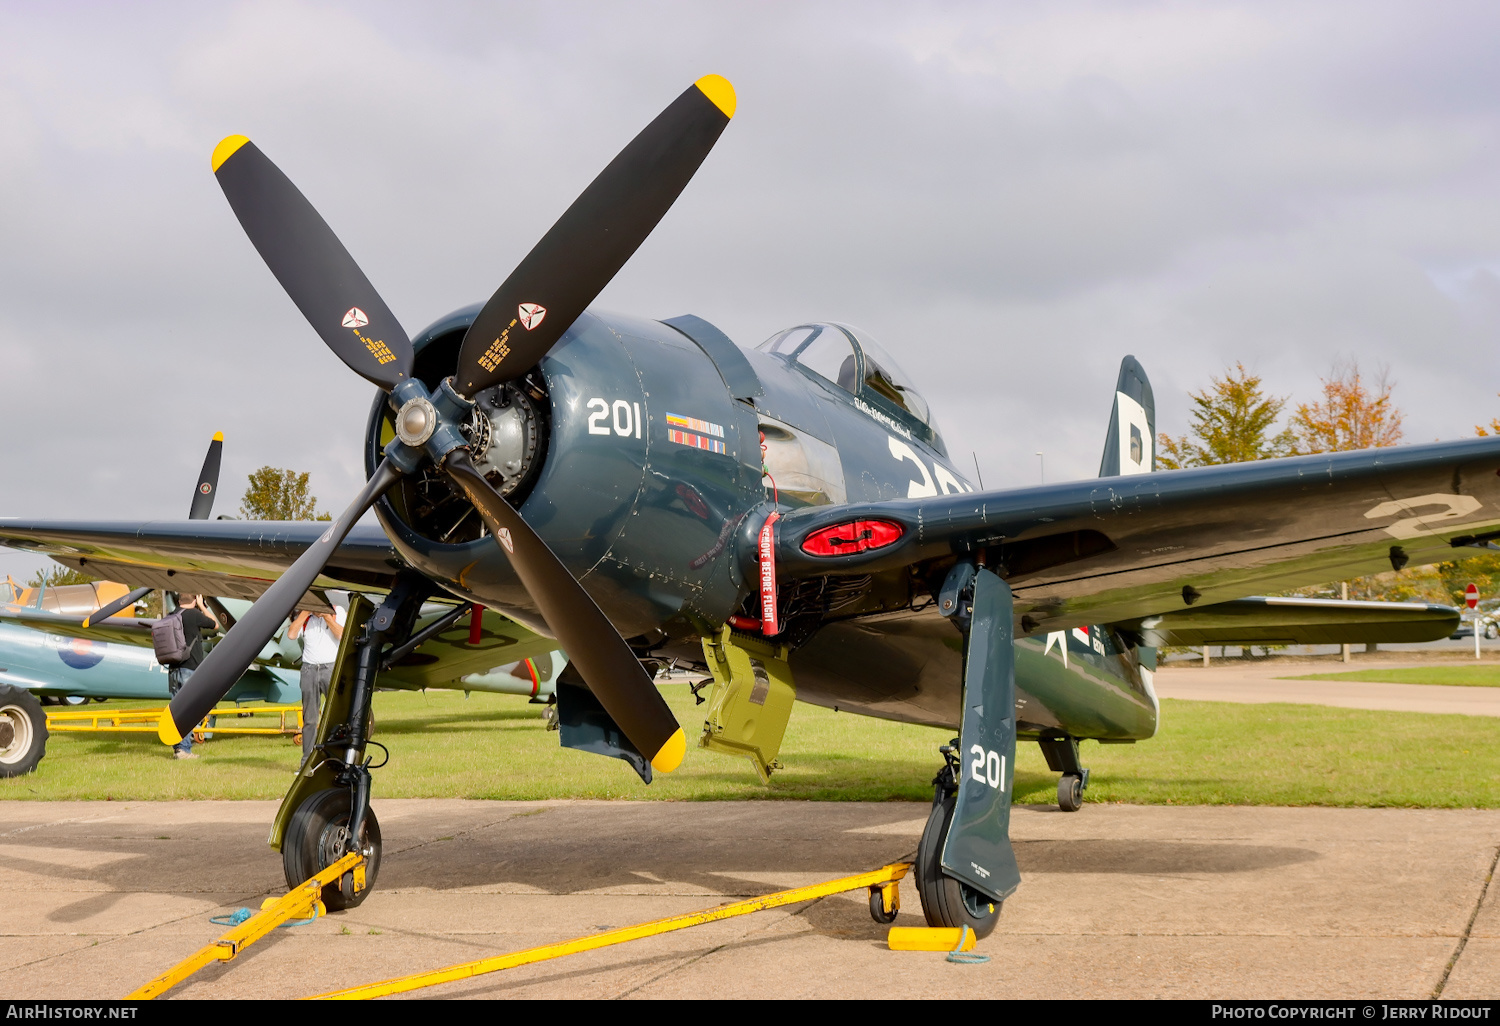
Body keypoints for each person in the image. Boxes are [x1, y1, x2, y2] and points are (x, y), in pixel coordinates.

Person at [163, 594, 219, 760]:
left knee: (177, 711)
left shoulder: (171, 616)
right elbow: (215, 624)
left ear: (179, 601)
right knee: (189, 711)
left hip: (173, 669)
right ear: (194, 600)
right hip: (190, 668)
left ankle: (178, 748)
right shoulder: (194, 615)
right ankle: (184, 750)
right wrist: (202, 606)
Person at [288, 602, 346, 758]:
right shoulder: (304, 616)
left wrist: (327, 617)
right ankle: (307, 761)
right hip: (309, 669)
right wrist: (306, 611)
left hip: (330, 668)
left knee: (337, 715)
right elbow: (292, 634)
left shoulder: (337, 610)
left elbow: (342, 635)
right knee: (310, 719)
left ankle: (338, 757)